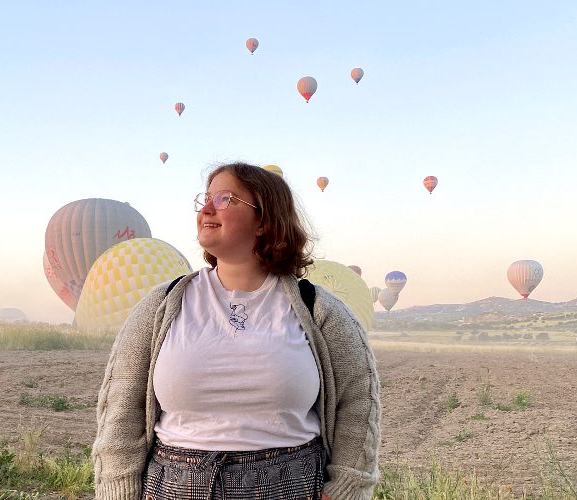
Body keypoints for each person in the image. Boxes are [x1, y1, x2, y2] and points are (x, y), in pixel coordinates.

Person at [92, 162, 381, 499]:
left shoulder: (319, 309)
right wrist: (118, 489)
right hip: (173, 487)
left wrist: (345, 487)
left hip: (291, 486)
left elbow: (358, 403)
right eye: (205, 199)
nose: (207, 209)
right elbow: (121, 408)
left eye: (226, 198)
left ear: (264, 221)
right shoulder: (161, 305)